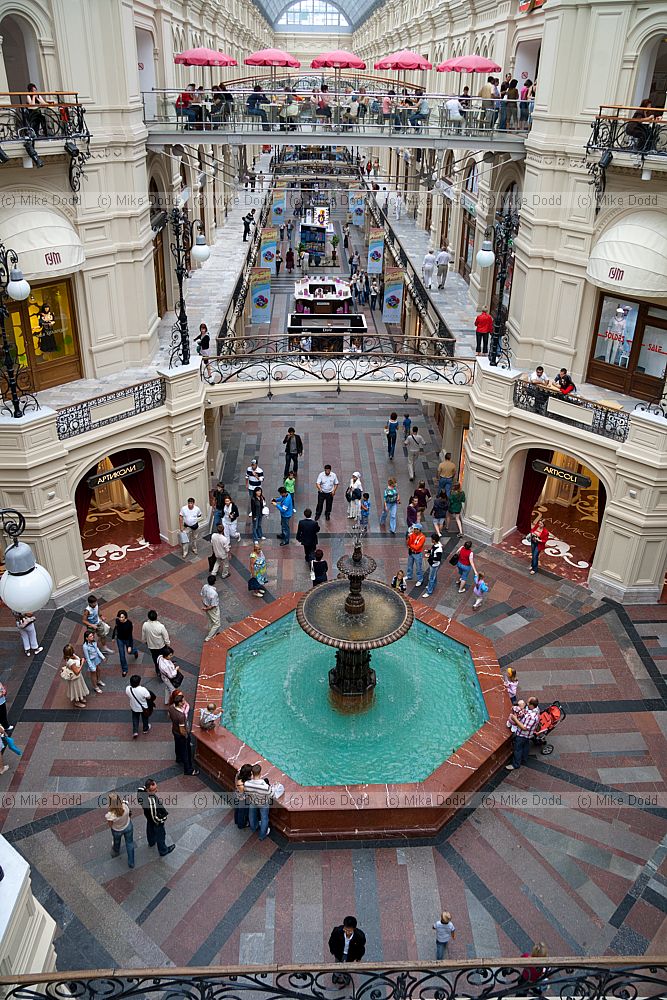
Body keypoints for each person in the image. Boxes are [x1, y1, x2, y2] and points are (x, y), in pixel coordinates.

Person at [137, 777, 176, 856]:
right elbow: (155, 817)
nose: (156, 791)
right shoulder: (151, 802)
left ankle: (151, 842)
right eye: (154, 790)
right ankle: (163, 850)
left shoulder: (140, 791)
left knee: (150, 828)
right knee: (161, 835)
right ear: (148, 790)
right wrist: (162, 819)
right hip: (156, 820)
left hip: (148, 816)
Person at [168, 690, 199, 776]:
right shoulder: (181, 716)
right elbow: (182, 729)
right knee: (186, 751)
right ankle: (188, 769)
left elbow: (169, 716)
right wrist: (186, 736)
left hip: (174, 731)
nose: (184, 702)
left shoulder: (171, 707)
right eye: (183, 701)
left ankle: (178, 758)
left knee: (177, 746)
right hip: (181, 734)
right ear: (180, 703)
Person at [505, 697, 540, 770]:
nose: (526, 703)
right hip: (527, 735)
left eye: (528, 703)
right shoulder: (536, 709)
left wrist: (515, 719)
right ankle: (524, 758)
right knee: (525, 745)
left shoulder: (532, 717)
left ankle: (516, 764)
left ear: (531, 705)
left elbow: (524, 728)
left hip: (522, 735)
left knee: (517, 749)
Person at [328, 916, 366, 984]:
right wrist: (333, 951)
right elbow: (331, 941)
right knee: (337, 965)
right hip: (339, 953)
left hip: (351, 956)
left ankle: (346, 976)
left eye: (349, 931)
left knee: (348, 967)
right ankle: (336, 975)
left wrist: (358, 957)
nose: (347, 932)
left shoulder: (360, 936)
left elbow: (361, 948)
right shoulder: (337, 931)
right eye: (345, 929)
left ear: (354, 929)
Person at [105, 792, 135, 869]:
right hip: (128, 826)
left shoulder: (110, 815)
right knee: (130, 843)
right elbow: (129, 815)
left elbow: (110, 825)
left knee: (117, 841)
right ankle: (131, 862)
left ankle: (116, 851)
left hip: (117, 830)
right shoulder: (125, 807)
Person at [244, 762, 272, 840]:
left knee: (252, 815)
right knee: (264, 818)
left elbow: (246, 792)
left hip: (253, 801)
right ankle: (262, 835)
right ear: (260, 773)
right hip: (263, 803)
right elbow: (271, 794)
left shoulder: (247, 783)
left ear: (252, 773)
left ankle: (253, 827)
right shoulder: (265, 786)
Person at [61, 644, 89, 709]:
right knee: (76, 689)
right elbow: (76, 672)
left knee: (80, 688)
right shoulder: (71, 662)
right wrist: (82, 663)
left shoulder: (71, 656)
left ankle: (80, 698)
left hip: (78, 677)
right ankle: (77, 702)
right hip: (75, 678)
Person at [112, 610, 138, 678]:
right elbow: (116, 627)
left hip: (127, 640)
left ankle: (135, 651)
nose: (120, 619)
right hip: (120, 639)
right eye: (119, 617)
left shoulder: (129, 623)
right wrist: (113, 636)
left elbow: (130, 635)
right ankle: (125, 669)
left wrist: (130, 646)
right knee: (122, 655)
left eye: (122, 617)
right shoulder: (117, 621)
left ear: (125, 617)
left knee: (129, 652)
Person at [126, 674, 153, 738]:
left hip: (134, 706)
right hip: (143, 707)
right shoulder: (143, 689)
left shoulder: (128, 688)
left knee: (135, 718)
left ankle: (135, 731)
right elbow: (149, 697)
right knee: (145, 718)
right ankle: (145, 729)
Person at [82, 630, 105, 694]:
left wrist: (102, 657)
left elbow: (97, 650)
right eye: (90, 636)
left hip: (96, 658)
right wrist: (91, 666)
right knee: (93, 674)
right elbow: (87, 657)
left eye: (92, 635)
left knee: (99, 670)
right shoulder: (85, 646)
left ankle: (99, 680)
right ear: (86, 638)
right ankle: (95, 687)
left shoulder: (94, 642)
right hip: (91, 661)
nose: (92, 637)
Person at [422, 534, 444, 599]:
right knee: (434, 576)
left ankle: (429, 591)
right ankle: (432, 585)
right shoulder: (435, 545)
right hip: (433, 564)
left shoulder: (439, 549)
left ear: (434, 540)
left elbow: (438, 558)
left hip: (434, 565)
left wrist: (429, 556)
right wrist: (428, 551)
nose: (431, 540)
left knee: (431, 578)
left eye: (431, 539)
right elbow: (433, 551)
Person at [201, 574, 220, 642]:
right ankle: (209, 637)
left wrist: (204, 605)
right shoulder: (214, 593)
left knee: (210, 619)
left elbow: (202, 595)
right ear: (214, 582)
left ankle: (210, 631)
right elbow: (213, 605)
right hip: (211, 608)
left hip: (205, 604)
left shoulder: (205, 586)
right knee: (217, 623)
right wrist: (206, 609)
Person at [234, 763, 253, 828]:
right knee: (242, 812)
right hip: (243, 799)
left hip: (237, 794)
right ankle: (241, 825)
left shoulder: (238, 775)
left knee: (238, 810)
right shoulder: (246, 783)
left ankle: (236, 821)